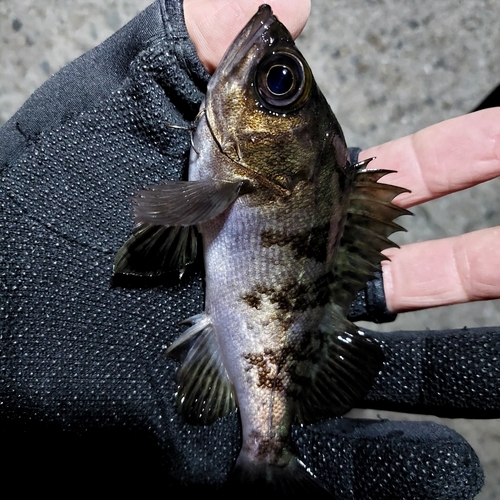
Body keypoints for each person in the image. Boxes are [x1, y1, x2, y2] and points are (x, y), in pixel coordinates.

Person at [0, 0, 498, 497]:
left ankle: (264, 453)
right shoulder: (261, 172)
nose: (265, 34)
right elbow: (160, 223)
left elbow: (160, 220)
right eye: (279, 83)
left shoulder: (246, 175)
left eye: (279, 83)